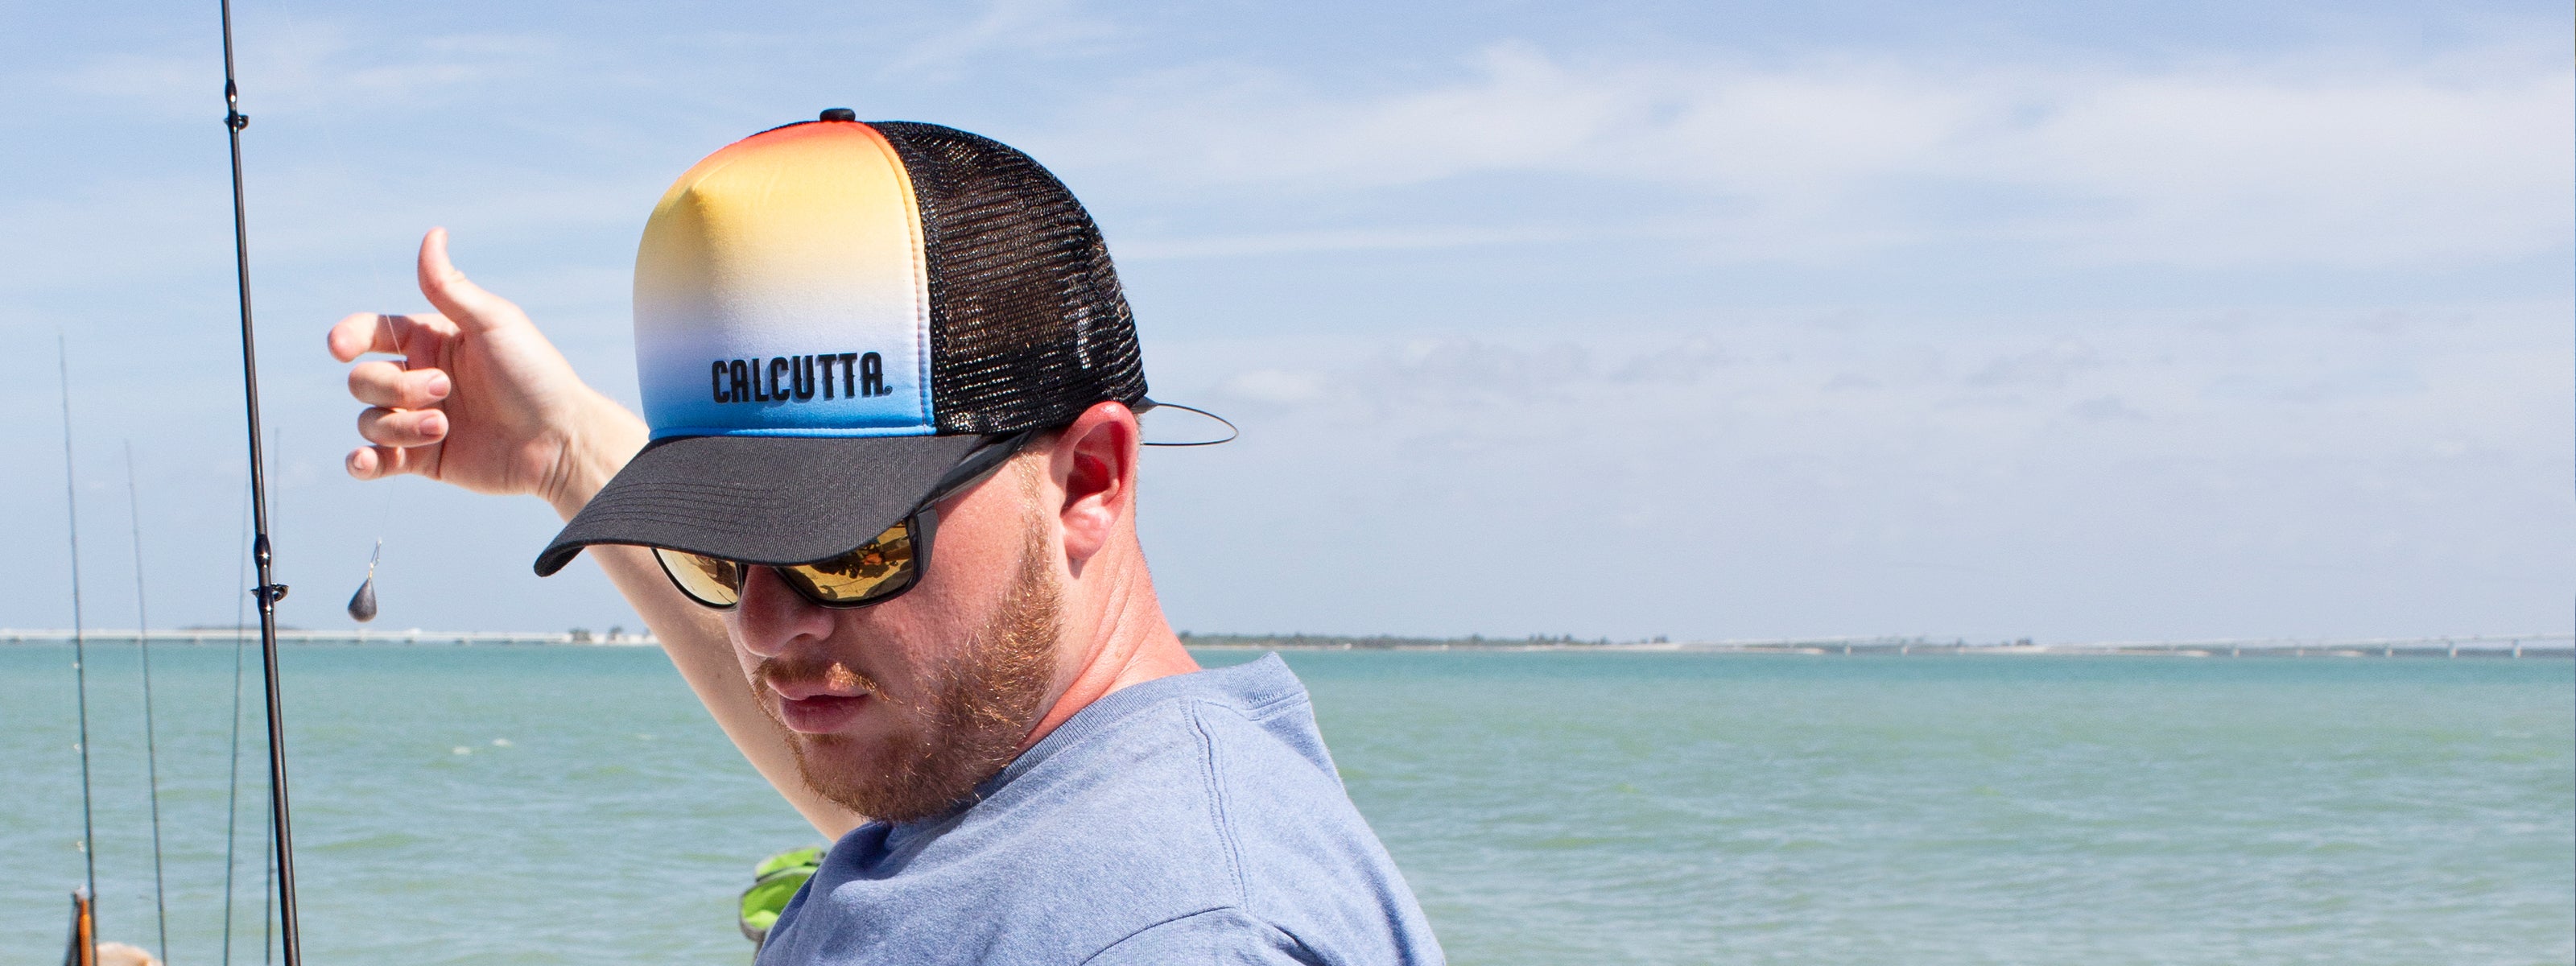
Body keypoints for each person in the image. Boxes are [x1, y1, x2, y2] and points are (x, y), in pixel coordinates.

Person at [327, 114, 1443, 964]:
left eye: (848, 544)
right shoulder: (1009, 797)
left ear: (1087, 481)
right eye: (721, 545)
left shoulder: (1171, 926)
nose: (761, 626)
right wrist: (562, 451)